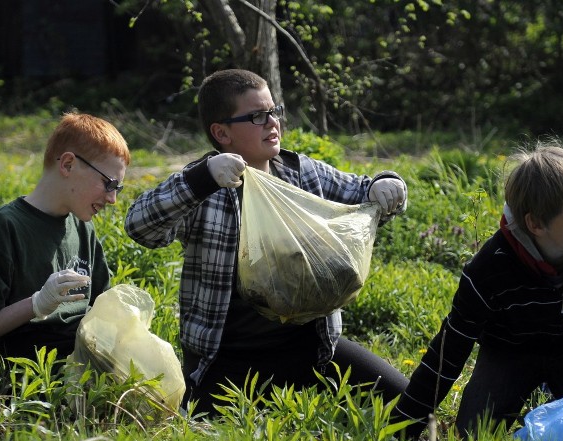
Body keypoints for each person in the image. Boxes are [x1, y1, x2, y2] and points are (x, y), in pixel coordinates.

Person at [124, 68, 410, 417]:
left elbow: (363, 191)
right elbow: (140, 226)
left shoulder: (300, 173)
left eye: (274, 112)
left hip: (312, 351)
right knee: (213, 436)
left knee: (410, 408)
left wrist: (386, 184)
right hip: (228, 362)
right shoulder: (207, 186)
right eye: (257, 116)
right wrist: (202, 180)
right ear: (221, 132)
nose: (272, 123)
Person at [392, 141, 563, 441]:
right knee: (474, 438)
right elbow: (449, 351)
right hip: (509, 353)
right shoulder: (490, 267)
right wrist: (400, 431)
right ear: (535, 224)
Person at [0, 112, 131, 368]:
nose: (113, 199)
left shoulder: (82, 227)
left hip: (87, 368)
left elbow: (99, 307)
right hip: (38, 382)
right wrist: (36, 304)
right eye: (109, 184)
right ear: (68, 164)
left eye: (117, 188)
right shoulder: (4, 226)